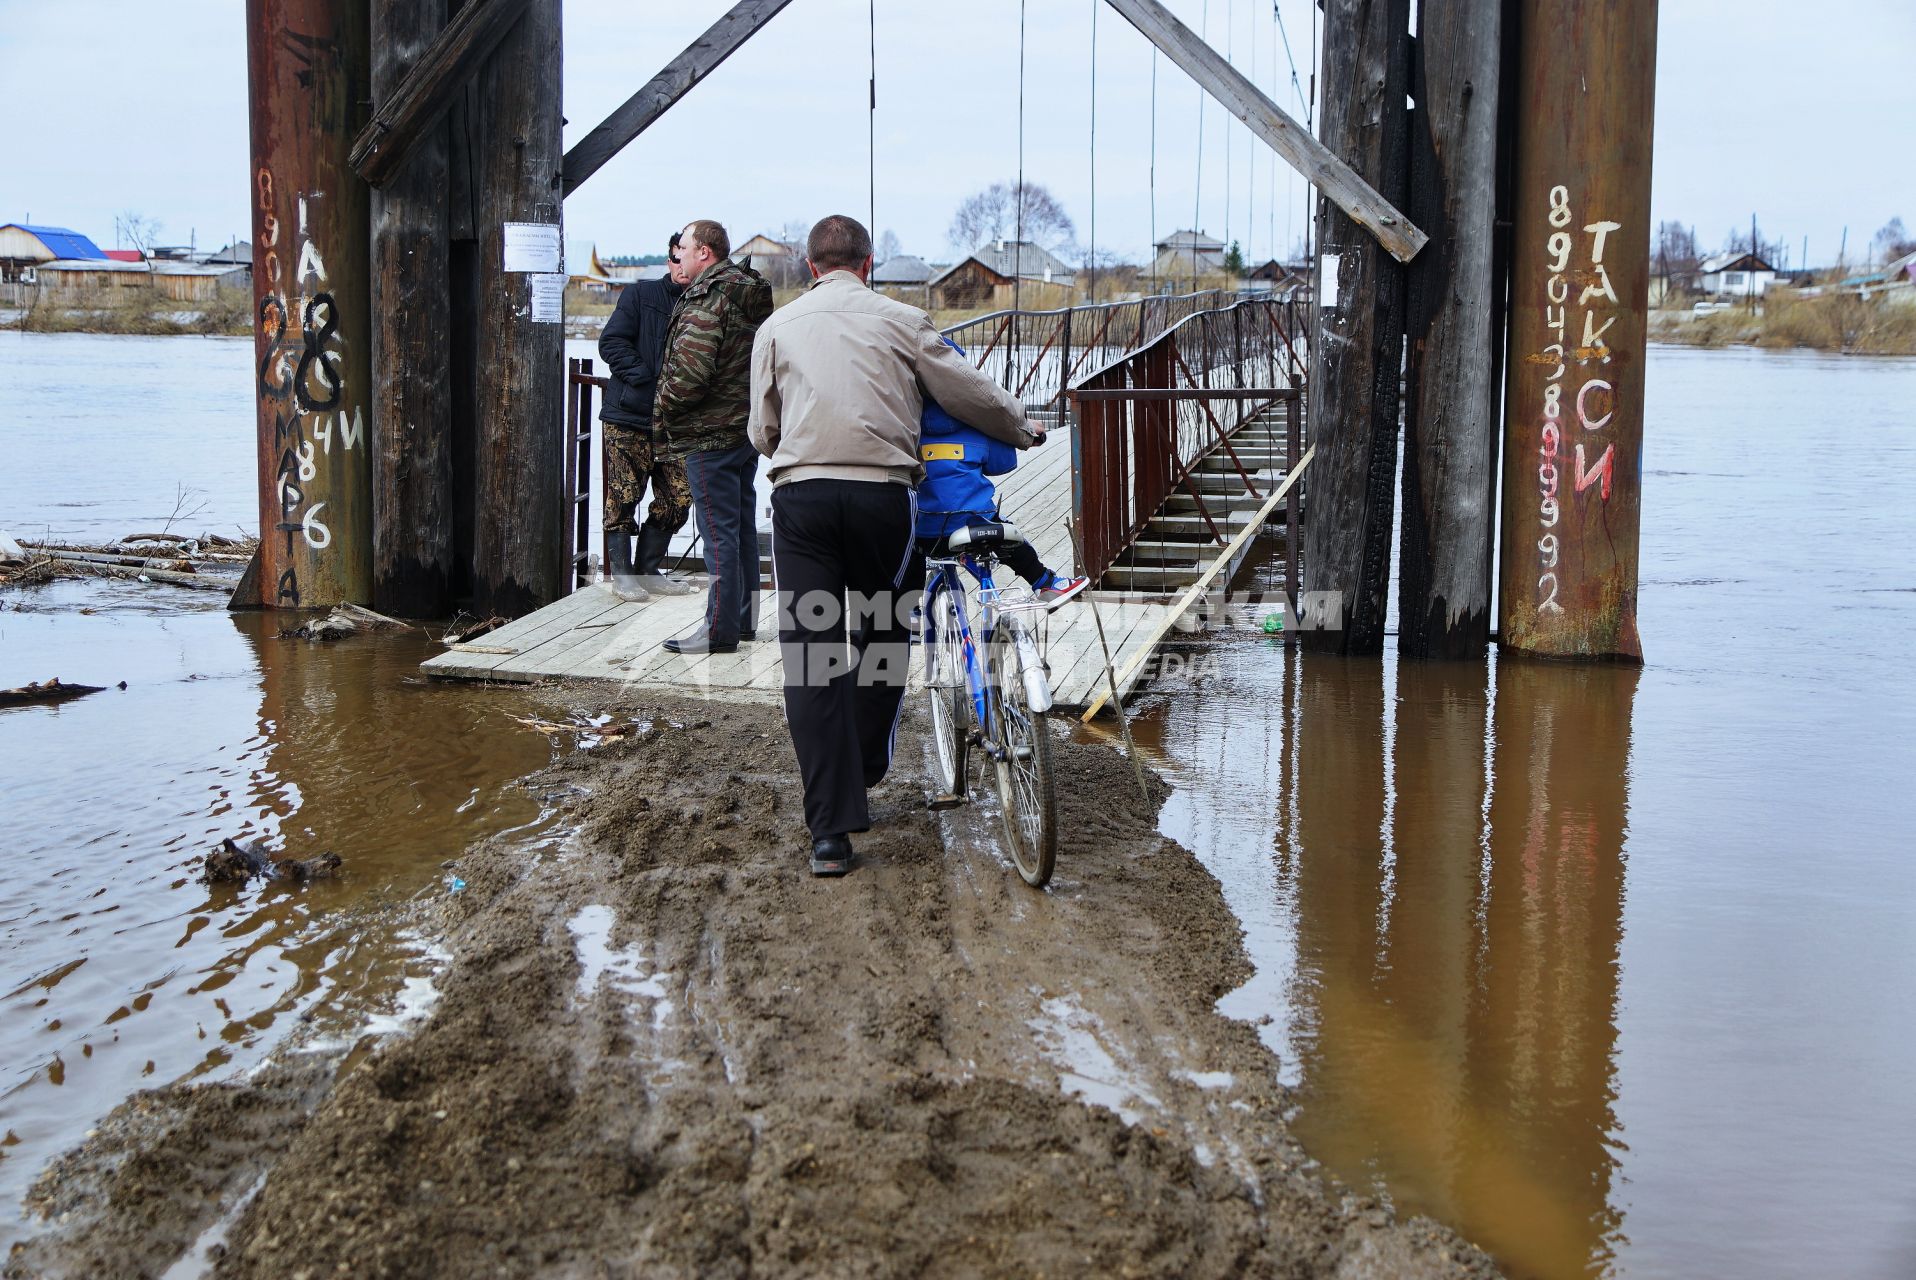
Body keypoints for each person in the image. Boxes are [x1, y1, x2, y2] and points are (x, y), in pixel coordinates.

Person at [749, 214, 1038, 877]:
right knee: (882, 631)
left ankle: (830, 830)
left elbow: (763, 432)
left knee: (813, 655)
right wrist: (1021, 428)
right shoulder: (903, 322)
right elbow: (967, 393)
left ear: (810, 267)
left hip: (804, 503)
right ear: (869, 264)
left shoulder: (775, 329)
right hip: (885, 499)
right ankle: (868, 761)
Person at [654, 219, 774, 654]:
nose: (677, 255)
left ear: (705, 251)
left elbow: (690, 374)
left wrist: (663, 404)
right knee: (738, 528)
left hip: (709, 432)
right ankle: (741, 622)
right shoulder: (746, 292)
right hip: (743, 428)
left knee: (718, 533)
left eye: (682, 247)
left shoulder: (709, 297)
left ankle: (718, 631)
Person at [915, 351, 1089, 607]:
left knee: (903, 544)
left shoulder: (906, 426)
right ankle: (1045, 583)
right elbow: (1002, 463)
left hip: (923, 525)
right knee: (1009, 539)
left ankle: (912, 610)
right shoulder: (974, 427)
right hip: (972, 519)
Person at [596, 231, 692, 599]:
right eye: (673, 258)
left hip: (675, 423)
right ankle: (623, 576)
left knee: (678, 498)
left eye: (684, 258)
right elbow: (612, 342)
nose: (679, 266)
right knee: (623, 495)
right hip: (629, 416)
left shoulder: (703, 304)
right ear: (669, 261)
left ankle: (649, 570)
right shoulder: (640, 294)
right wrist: (645, 378)